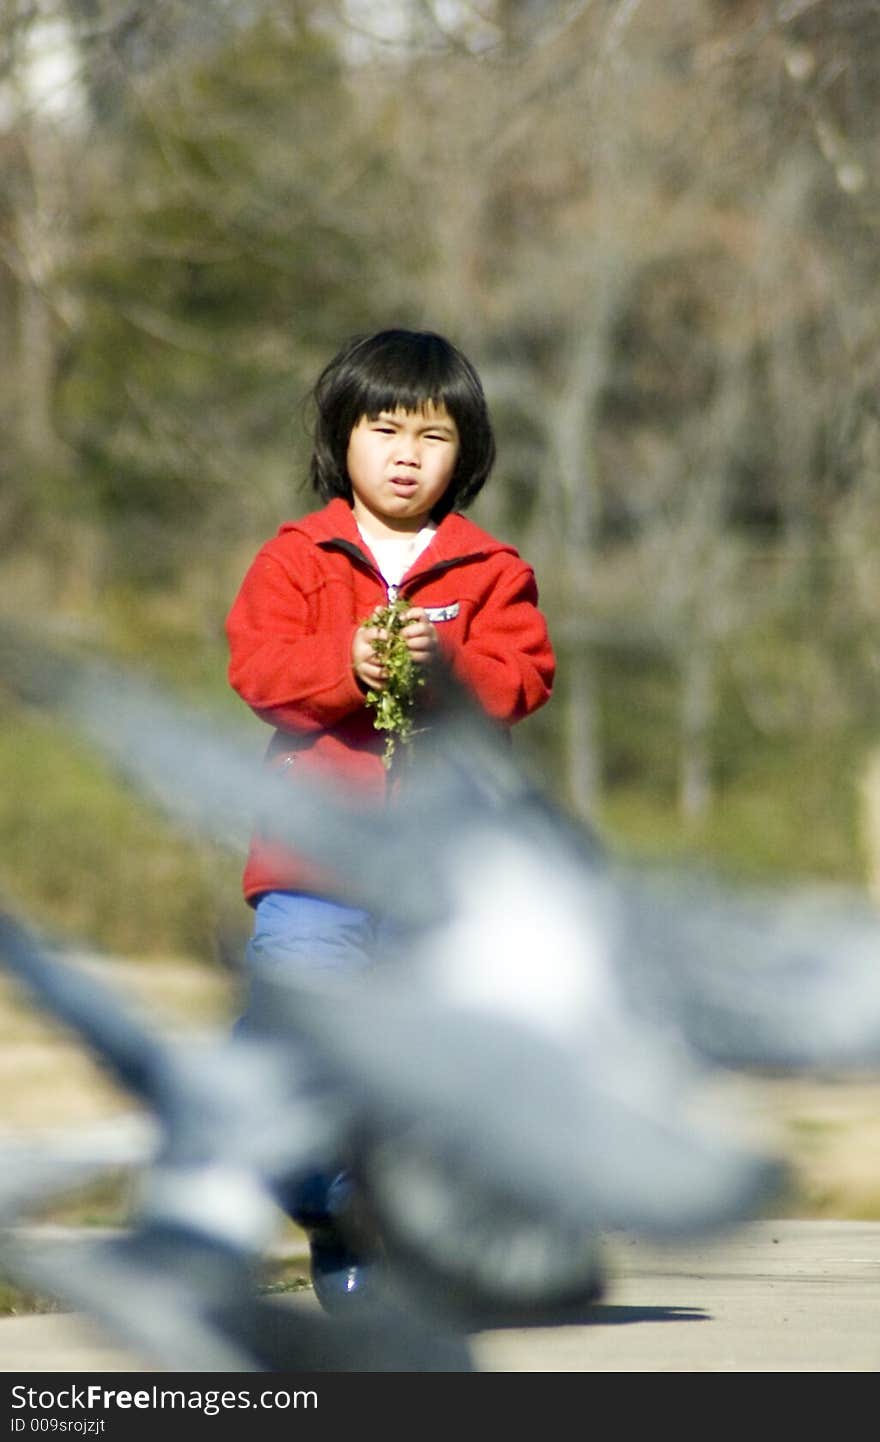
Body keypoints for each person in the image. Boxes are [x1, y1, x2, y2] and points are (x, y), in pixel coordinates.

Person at [225, 327, 556, 1311]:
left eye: (434, 434)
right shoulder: (297, 557)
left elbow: (525, 676)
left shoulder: (489, 569)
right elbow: (259, 671)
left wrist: (439, 675)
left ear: (469, 453)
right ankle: (340, 1202)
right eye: (384, 428)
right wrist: (353, 664)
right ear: (342, 437)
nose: (407, 452)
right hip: (311, 876)